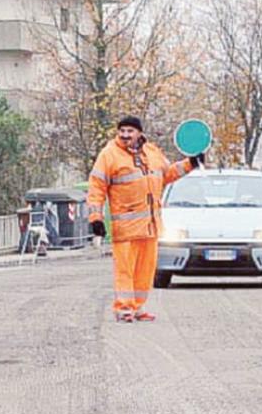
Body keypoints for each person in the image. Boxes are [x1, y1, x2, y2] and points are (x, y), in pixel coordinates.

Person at [86, 115, 201, 322]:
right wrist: (95, 217)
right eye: (122, 131)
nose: (125, 135)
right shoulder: (109, 155)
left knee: (145, 270)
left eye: (130, 131)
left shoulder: (152, 153)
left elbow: (168, 174)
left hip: (150, 226)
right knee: (125, 270)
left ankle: (138, 307)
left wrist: (191, 163)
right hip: (126, 226)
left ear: (139, 133)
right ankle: (124, 309)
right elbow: (96, 186)